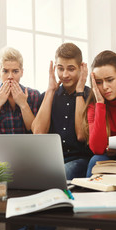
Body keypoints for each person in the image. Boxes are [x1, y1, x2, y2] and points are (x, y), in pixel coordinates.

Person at [31, 42, 92, 180]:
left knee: (62, 173)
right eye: (60, 68)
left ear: (81, 68)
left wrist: (79, 92)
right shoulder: (47, 96)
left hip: (80, 160)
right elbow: (38, 132)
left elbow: (82, 134)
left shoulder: (90, 96)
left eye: (71, 69)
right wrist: (51, 90)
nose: (64, 74)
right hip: (51, 160)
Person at [0, 46, 40, 174]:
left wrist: (23, 104)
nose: (10, 76)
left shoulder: (34, 95)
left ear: (22, 72)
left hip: (26, 152)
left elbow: (36, 130)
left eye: (15, 71)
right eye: (5, 71)